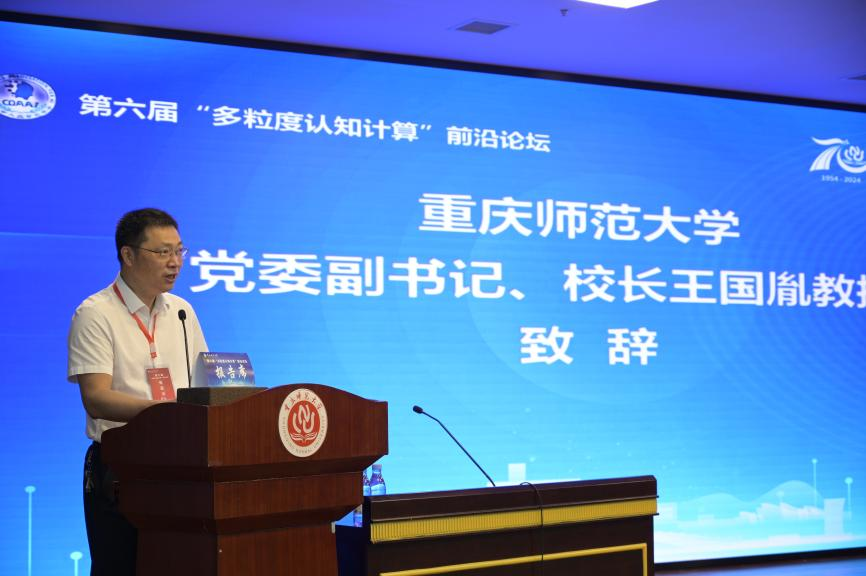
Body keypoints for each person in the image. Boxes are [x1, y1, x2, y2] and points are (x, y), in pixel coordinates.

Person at [67, 208, 208, 575]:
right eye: (162, 252)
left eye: (179, 251)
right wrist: (162, 413)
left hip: (181, 465)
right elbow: (96, 398)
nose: (175, 262)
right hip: (121, 468)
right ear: (128, 255)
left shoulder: (182, 312)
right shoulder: (96, 313)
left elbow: (203, 387)